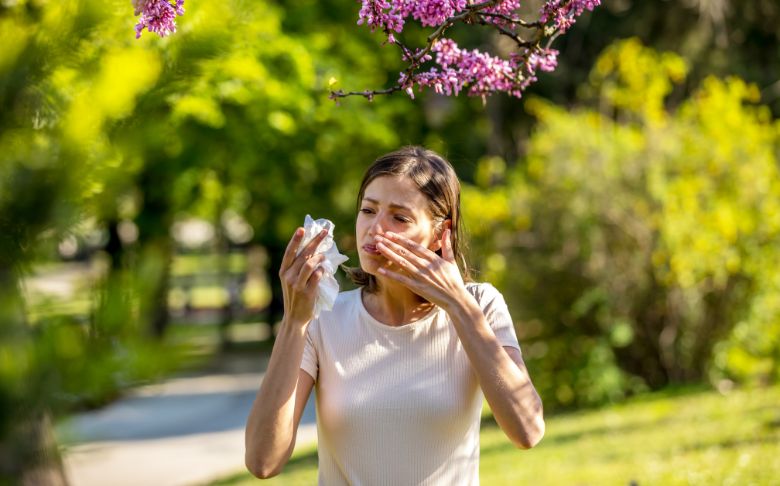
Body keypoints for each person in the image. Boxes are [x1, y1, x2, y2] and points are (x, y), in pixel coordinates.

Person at [245, 146, 544, 484]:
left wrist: (458, 305)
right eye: (368, 210)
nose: (374, 228)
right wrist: (294, 322)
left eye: (399, 217)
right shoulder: (323, 319)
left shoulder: (481, 306)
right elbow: (262, 461)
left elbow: (527, 431)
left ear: (439, 233)